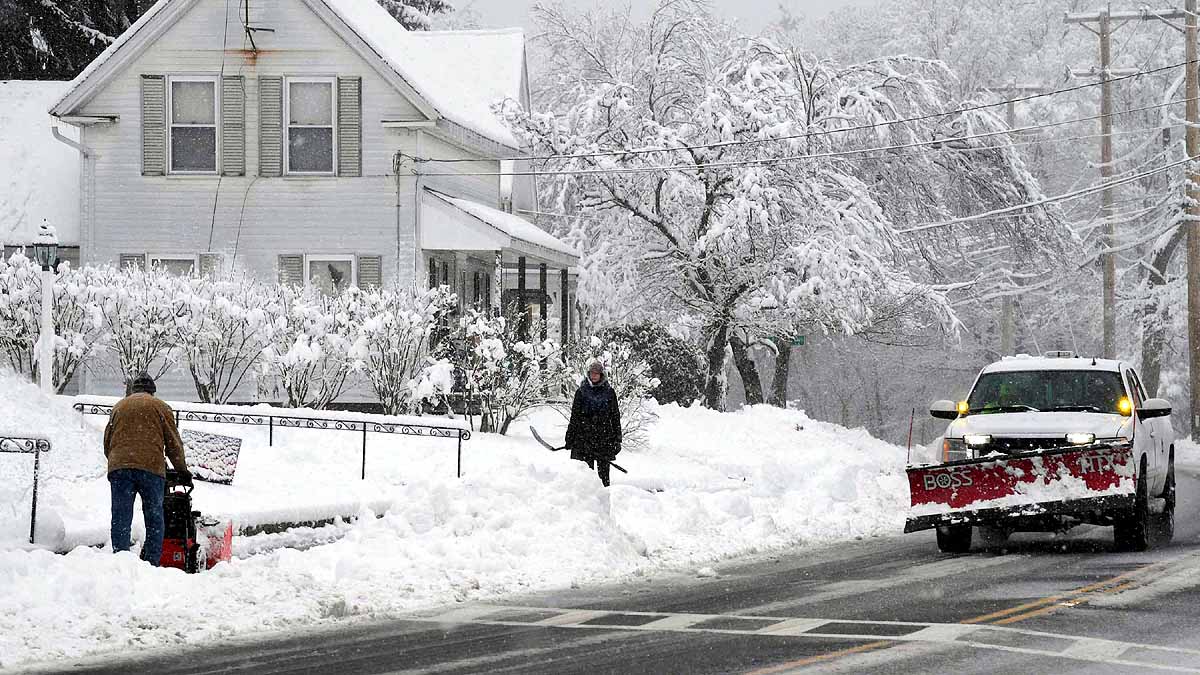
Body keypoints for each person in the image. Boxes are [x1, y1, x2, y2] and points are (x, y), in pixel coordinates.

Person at [102, 372, 190, 566]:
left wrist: (120, 462)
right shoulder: (160, 407)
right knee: (154, 517)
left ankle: (120, 562)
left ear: (134, 390)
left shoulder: (119, 406)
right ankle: (151, 563)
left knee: (121, 516)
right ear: (152, 391)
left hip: (120, 468)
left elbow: (108, 441)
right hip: (150, 468)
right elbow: (173, 444)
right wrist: (182, 471)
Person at [565, 361, 622, 487]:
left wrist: (618, 438)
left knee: (604, 477)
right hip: (584, 438)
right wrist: (570, 437)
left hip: (604, 438)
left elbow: (615, 416)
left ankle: (605, 501)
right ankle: (586, 500)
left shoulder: (609, 392)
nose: (594, 376)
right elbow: (575, 416)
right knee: (586, 476)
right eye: (592, 373)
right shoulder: (581, 392)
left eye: (597, 373)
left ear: (602, 375)